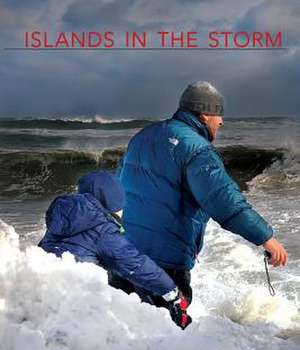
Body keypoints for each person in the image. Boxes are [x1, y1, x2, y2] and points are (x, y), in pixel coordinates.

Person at [110, 81, 288, 308]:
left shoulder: (142, 137)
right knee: (168, 334)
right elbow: (224, 200)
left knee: (125, 329)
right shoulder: (197, 149)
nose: (222, 121)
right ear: (204, 115)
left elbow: (117, 187)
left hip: (124, 257)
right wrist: (266, 238)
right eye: (218, 114)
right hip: (163, 267)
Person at [38, 171, 192, 329]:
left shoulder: (62, 216)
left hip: (42, 286)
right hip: (74, 299)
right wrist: (171, 292)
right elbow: (136, 265)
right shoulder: (102, 229)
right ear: (112, 199)